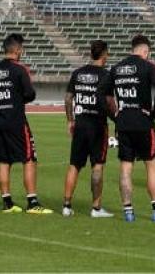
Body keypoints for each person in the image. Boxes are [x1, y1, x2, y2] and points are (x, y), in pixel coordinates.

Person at [104, 35, 155, 223]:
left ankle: (128, 211)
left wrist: (115, 115)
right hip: (143, 120)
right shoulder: (148, 66)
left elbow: (106, 95)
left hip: (123, 120)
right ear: (145, 51)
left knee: (126, 166)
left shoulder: (116, 68)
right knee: (151, 164)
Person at [0, 33, 52, 215]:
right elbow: (30, 94)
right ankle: (32, 202)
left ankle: (7, 203)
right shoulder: (19, 69)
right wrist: (16, 97)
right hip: (16, 121)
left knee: (4, 161)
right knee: (29, 158)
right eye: (22, 49)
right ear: (17, 50)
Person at [61, 40, 114, 218]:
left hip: (80, 123)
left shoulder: (78, 73)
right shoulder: (106, 76)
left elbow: (68, 99)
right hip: (98, 125)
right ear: (104, 54)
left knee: (74, 165)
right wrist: (116, 118)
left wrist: (70, 120)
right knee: (97, 166)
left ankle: (66, 206)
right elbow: (108, 102)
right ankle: (96, 208)